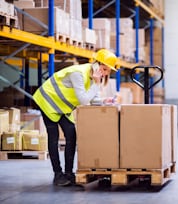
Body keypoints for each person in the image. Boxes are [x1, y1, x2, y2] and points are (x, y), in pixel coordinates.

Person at [33, 49, 118, 186]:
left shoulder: (92, 77)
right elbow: (84, 100)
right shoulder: (78, 74)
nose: (106, 73)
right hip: (47, 100)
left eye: (108, 71)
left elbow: (93, 99)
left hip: (62, 107)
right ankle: (58, 174)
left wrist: (104, 101)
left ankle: (69, 173)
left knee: (71, 135)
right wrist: (96, 84)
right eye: (104, 69)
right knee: (53, 137)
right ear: (97, 64)